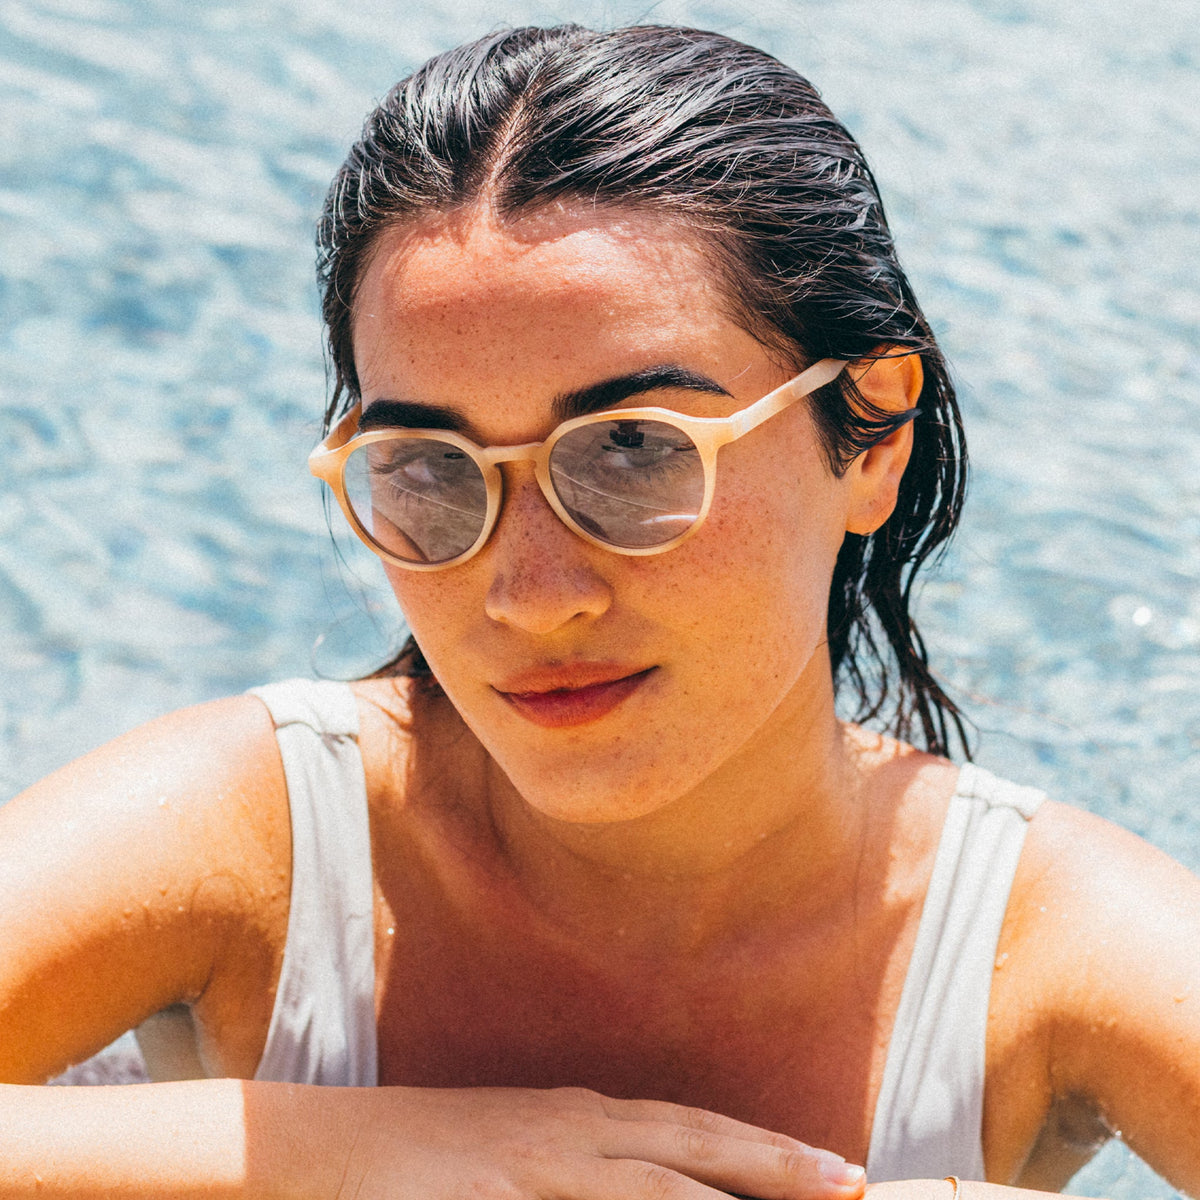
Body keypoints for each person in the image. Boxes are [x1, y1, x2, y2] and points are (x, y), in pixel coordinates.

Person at [1, 22, 1197, 1200]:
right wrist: (334, 1157)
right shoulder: (256, 844)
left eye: (634, 449)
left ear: (872, 437)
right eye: (427, 466)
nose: (530, 595)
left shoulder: (1038, 950)